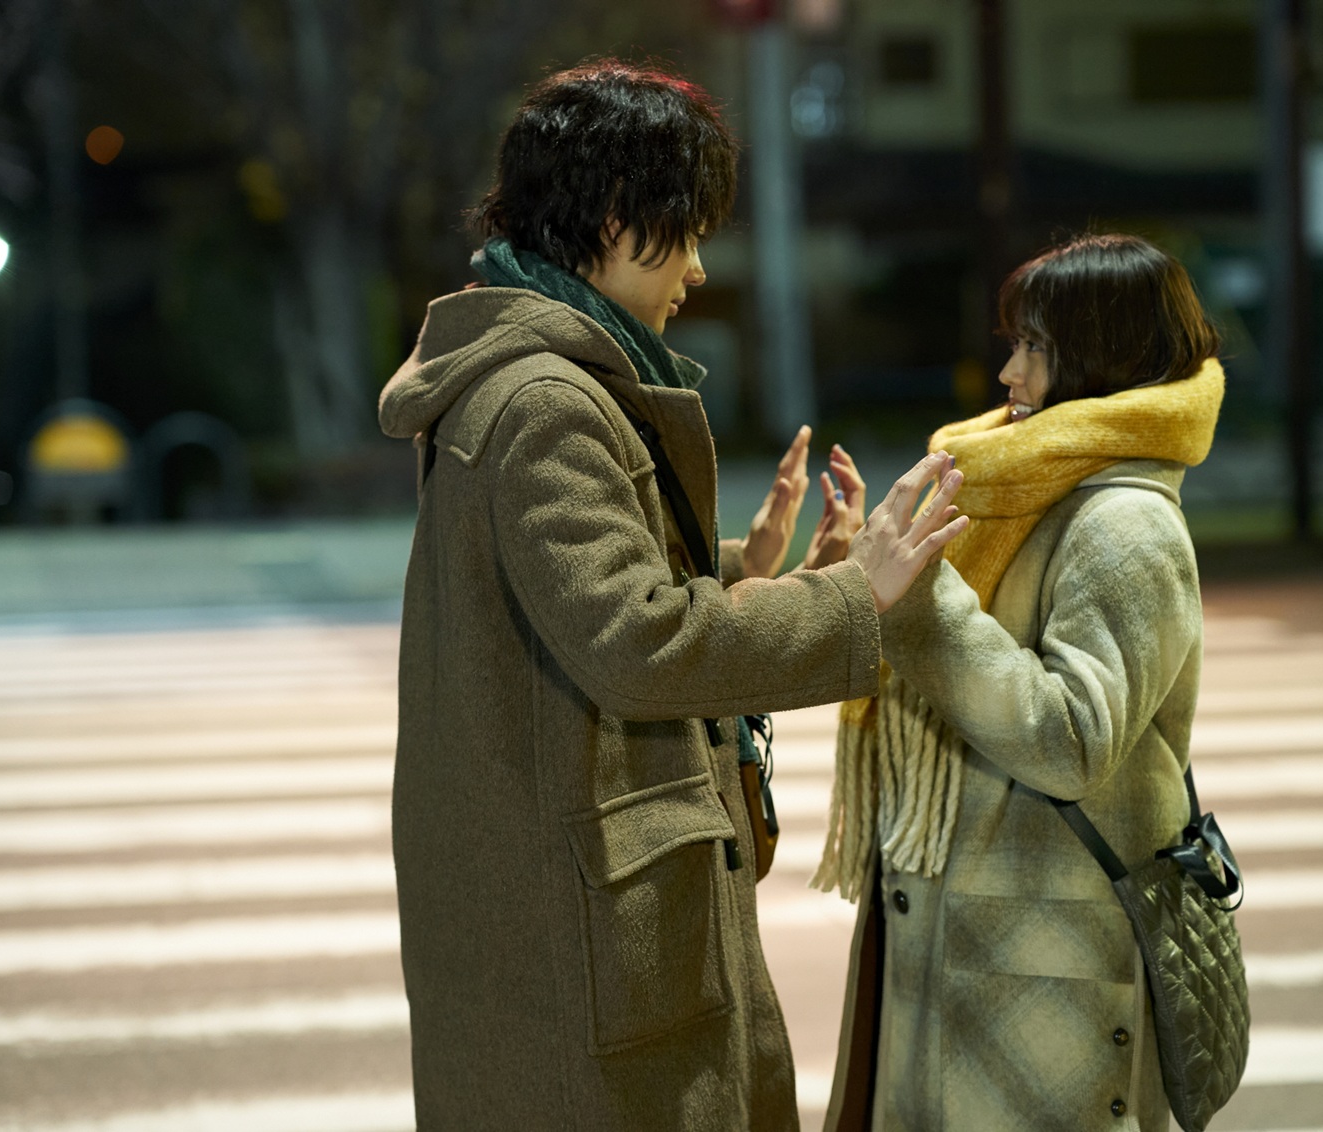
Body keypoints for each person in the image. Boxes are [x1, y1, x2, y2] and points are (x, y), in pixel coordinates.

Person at [376, 59, 968, 1131]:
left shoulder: (526, 376)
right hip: (580, 941)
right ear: (613, 218)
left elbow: (565, 606)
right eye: (683, 232)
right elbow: (635, 640)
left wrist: (749, 573)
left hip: (550, 907)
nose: (696, 268)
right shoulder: (546, 401)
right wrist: (855, 598)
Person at [811, 233, 1225, 1130]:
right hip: (974, 948)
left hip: (1046, 975)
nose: (1009, 372)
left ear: (1102, 353)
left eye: (1034, 345)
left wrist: (919, 598)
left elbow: (1071, 740)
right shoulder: (1023, 491)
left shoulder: (1125, 524)